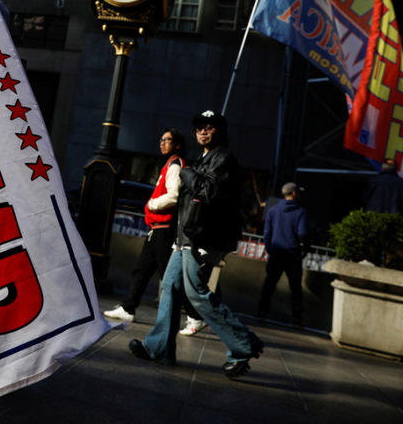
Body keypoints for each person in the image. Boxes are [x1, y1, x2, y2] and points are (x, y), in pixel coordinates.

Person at [129, 110, 264, 379]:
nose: (203, 131)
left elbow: (207, 191)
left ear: (220, 132)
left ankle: (243, 345)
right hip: (187, 237)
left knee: (196, 293)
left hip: (204, 239)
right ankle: (159, 349)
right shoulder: (205, 159)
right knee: (169, 287)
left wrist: (188, 174)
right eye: (200, 128)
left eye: (210, 127)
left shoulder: (223, 159)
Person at [104, 129, 204, 333]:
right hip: (157, 228)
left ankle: (195, 316)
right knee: (142, 269)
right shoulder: (170, 164)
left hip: (165, 229)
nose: (162, 143)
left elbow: (173, 196)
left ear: (177, 145)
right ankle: (128, 307)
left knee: (171, 274)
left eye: (167, 140)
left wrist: (151, 204)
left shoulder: (176, 165)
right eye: (161, 139)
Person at [257, 182, 309, 327]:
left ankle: (262, 312)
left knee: (269, 284)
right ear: (294, 193)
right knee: (296, 288)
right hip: (292, 253)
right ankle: (296, 320)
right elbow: (303, 233)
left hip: (276, 252)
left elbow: (267, 233)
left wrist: (270, 248)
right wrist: (305, 248)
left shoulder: (273, 211)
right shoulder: (300, 212)